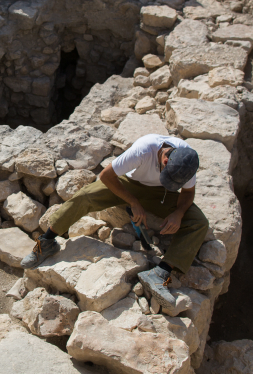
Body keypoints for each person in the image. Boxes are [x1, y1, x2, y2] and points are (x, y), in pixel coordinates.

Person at [20, 133, 208, 310]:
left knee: (198, 223)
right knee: (85, 196)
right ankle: (46, 242)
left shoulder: (187, 159)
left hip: (161, 193)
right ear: (165, 160)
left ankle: (160, 274)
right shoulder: (144, 149)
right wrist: (133, 202)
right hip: (128, 184)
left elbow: (188, 192)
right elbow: (107, 176)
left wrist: (179, 213)